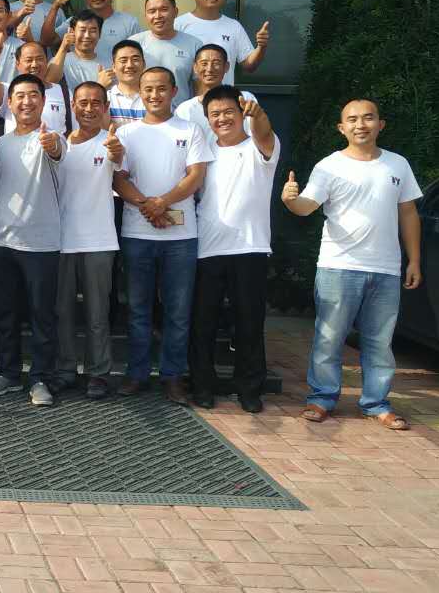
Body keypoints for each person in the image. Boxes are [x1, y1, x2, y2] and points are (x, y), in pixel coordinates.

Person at [282, 99, 423, 430]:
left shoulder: (398, 164)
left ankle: (376, 403)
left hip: (385, 269)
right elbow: (306, 207)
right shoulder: (329, 166)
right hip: (338, 266)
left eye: (368, 118)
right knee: (329, 338)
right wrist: (290, 200)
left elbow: (408, 213)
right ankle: (321, 399)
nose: (361, 124)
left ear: (380, 124)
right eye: (353, 119)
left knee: (380, 342)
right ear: (341, 128)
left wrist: (414, 260)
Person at [111, 66, 211, 404]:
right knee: (138, 309)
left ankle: (173, 376)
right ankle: (137, 374)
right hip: (137, 234)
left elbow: (195, 175)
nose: (155, 95)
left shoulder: (190, 130)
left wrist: (162, 202)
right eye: (148, 89)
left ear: (173, 91)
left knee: (178, 312)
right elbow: (118, 178)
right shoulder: (127, 133)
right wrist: (147, 206)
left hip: (181, 238)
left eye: (161, 88)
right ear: (140, 92)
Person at [189, 87, 279, 413]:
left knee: (249, 323)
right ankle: (202, 386)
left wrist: (260, 115)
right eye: (215, 114)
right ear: (207, 119)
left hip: (250, 248)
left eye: (229, 112)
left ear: (242, 114)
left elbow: (265, 133)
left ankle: (249, 389)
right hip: (207, 249)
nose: (222, 118)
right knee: (203, 323)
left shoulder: (259, 145)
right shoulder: (203, 152)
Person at [0, 74, 63, 405]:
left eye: (33, 95)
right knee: (5, 314)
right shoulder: (0, 145)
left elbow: (57, 151)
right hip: (2, 241)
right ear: (9, 103)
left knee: (41, 316)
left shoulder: (52, 137)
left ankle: (40, 378)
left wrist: (51, 144)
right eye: (19, 96)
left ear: (43, 101)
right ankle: (8, 373)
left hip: (41, 245)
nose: (26, 101)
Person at [53, 82, 125, 400]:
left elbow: (119, 160)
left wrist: (116, 151)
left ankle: (99, 373)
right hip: (61, 241)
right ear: (72, 105)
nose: (89, 108)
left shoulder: (111, 142)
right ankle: (65, 370)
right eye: (83, 102)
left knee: (98, 314)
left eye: (96, 102)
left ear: (106, 107)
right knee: (63, 312)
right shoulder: (59, 144)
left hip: (99, 241)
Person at [175, 0, 270, 85]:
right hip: (188, 95)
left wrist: (261, 46)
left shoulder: (233, 26)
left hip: (223, 95)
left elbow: (249, 65)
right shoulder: (178, 24)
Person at [40, 0, 140, 59]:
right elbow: (46, 40)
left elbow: (138, 55)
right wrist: (56, 6)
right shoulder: (76, 21)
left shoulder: (129, 22)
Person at [174, 44, 257, 145]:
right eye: (204, 64)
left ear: (226, 67)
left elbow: (256, 137)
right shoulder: (185, 109)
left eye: (216, 63)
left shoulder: (244, 99)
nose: (210, 69)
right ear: (195, 68)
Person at [134, 0, 203, 106]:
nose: (158, 16)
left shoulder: (194, 44)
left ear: (175, 12)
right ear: (145, 15)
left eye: (164, 10)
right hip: (142, 112)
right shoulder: (135, 44)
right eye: (152, 11)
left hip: (180, 112)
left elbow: (200, 85)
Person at [0, 41, 70, 135]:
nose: (34, 65)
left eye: (39, 59)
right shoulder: (10, 90)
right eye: (29, 60)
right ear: (18, 64)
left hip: (55, 144)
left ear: (46, 61)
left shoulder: (62, 91)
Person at [48, 10, 113, 99]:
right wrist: (63, 47)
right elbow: (49, 83)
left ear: (100, 34)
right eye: (82, 30)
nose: (87, 36)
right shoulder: (60, 60)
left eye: (93, 31)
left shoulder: (109, 63)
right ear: (72, 31)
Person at [106, 39, 147, 125]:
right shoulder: (106, 99)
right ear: (114, 67)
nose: (129, 65)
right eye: (123, 61)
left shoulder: (153, 98)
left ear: (144, 64)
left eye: (135, 59)